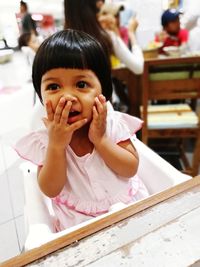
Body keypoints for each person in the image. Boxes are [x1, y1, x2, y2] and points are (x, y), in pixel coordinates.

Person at [15, 29, 149, 231]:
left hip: (127, 209)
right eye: (53, 87)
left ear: (101, 90)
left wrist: (101, 140)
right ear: (40, 96)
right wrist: (56, 146)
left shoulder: (110, 123)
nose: (67, 96)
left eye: (81, 84)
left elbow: (130, 168)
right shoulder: (47, 139)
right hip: (79, 224)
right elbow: (51, 190)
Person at [64, 0, 144, 75]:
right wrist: (131, 33)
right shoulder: (105, 37)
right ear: (97, 5)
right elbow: (138, 67)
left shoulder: (62, 42)